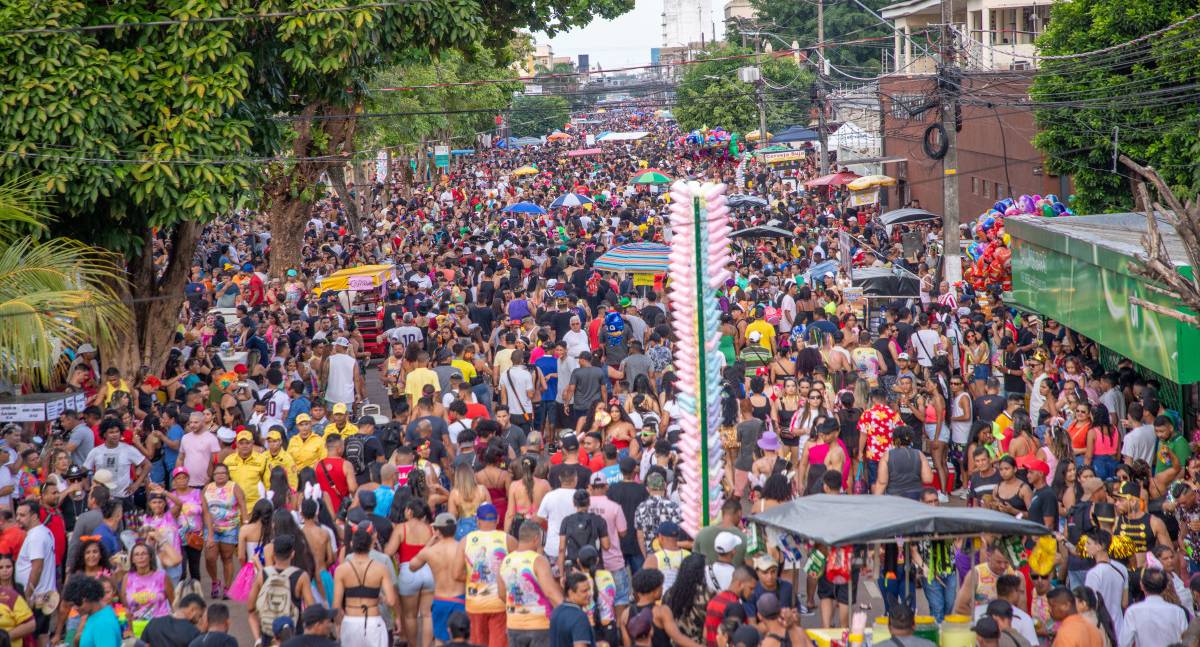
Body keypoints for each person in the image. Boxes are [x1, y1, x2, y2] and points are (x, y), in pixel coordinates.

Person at [498, 522, 563, 647]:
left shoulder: (505, 561)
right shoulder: (538, 560)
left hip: (514, 625)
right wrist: (568, 611)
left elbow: (501, 594)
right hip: (540, 626)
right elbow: (550, 593)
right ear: (536, 539)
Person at [461, 502, 514, 647]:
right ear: (497, 520)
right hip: (500, 603)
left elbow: (456, 573)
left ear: (477, 521)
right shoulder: (507, 539)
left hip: (475, 604)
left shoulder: (466, 540)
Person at [333, 527, 397, 647]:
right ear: (370, 545)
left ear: (352, 544)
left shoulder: (341, 570)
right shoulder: (381, 568)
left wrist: (339, 625)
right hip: (373, 621)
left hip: (350, 621)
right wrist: (381, 599)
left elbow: (336, 606)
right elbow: (392, 601)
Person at [410, 512, 466, 644]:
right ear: (455, 528)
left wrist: (430, 542)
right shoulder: (462, 548)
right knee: (461, 641)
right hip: (460, 599)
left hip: (440, 600)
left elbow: (412, 566)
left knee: (439, 640)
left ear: (436, 530)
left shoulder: (430, 551)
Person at [629, 568, 702, 647]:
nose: (662, 589)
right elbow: (678, 638)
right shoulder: (662, 611)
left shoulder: (625, 615)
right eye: (661, 587)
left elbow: (627, 644)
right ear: (655, 591)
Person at [1117, 567, 1188, 646]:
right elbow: (1186, 641)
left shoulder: (1133, 611)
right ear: (1164, 586)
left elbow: (1124, 643)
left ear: (1142, 586)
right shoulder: (1178, 611)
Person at [549, 572, 596, 647]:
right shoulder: (579, 617)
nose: (589, 594)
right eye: (584, 591)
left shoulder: (556, 611)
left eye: (589, 590)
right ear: (571, 593)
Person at [140, 594, 206, 647]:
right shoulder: (193, 633)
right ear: (192, 609)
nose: (198, 620)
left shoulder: (153, 623)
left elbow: (141, 644)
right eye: (199, 615)